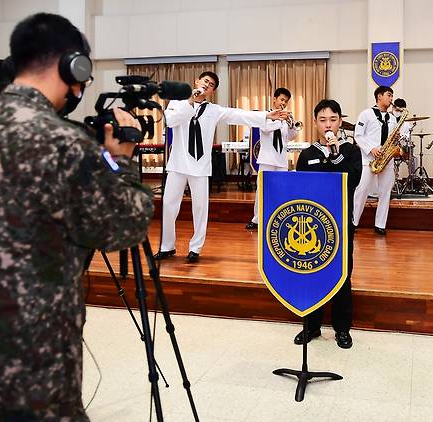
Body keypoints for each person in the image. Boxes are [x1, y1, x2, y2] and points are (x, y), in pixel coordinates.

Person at [0, 13, 154, 420]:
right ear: (74, 66)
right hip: (34, 368)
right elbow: (124, 226)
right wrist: (122, 162)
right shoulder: (64, 143)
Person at [154, 72, 288, 263]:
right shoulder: (177, 102)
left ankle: (195, 248)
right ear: (197, 82)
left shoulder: (213, 110)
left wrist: (267, 115)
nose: (207, 85)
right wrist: (190, 100)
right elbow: (171, 121)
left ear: (212, 91)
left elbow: (239, 115)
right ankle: (167, 246)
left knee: (200, 208)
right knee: (168, 205)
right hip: (177, 163)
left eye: (211, 85)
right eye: (205, 81)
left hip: (200, 166)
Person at [294, 99, 362, 349]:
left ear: (340, 121)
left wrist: (336, 154)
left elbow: (352, 180)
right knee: (312, 275)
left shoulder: (350, 151)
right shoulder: (307, 154)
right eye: (322, 120)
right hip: (312, 227)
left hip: (342, 224)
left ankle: (342, 329)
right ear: (315, 123)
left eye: (333, 119)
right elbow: (298, 189)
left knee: (342, 276)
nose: (328, 125)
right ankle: (311, 325)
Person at [353, 86, 411, 234]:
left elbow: (393, 137)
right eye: (389, 95)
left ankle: (380, 225)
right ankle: (353, 222)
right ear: (379, 96)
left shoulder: (392, 118)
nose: (391, 99)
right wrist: (371, 149)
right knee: (362, 191)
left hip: (387, 159)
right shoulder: (366, 114)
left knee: (385, 193)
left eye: (392, 96)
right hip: (369, 159)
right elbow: (358, 135)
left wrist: (396, 139)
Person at [246, 87, 300, 230]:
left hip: (281, 160)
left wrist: (292, 125)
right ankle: (256, 220)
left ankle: (278, 218)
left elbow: (290, 137)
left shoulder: (284, 119)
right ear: (274, 99)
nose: (283, 103)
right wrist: (280, 119)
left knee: (281, 190)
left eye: (286, 101)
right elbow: (265, 129)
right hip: (266, 159)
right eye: (282, 100)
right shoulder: (266, 115)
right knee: (261, 190)